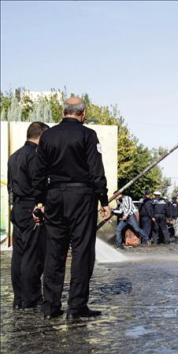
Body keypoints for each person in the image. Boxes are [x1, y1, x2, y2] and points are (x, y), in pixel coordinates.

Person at [31, 97, 111, 320]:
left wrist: (40, 200)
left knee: (54, 251)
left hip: (54, 195)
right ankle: (76, 307)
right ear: (82, 114)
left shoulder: (48, 136)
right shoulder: (88, 135)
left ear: (63, 111)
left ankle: (50, 306)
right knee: (81, 251)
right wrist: (103, 200)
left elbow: (38, 171)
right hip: (81, 197)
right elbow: (96, 171)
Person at [7, 122, 49, 310]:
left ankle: (19, 298)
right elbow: (38, 184)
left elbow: (10, 186)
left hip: (17, 207)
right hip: (32, 206)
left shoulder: (14, 156)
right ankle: (31, 298)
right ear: (41, 136)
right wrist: (40, 205)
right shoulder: (35, 156)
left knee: (19, 254)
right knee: (33, 255)